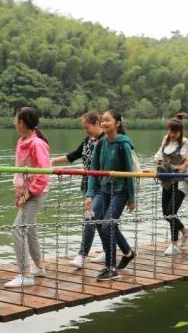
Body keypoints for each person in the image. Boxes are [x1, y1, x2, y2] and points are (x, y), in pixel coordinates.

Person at [86, 110, 138, 281]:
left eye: (108, 120)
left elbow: (130, 173)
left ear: (117, 123)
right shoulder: (101, 144)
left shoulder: (123, 144)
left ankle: (111, 268)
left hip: (120, 192)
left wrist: (132, 198)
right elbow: (93, 170)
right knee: (104, 223)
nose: (104, 123)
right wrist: (90, 194)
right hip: (105, 190)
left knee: (107, 226)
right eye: (103, 120)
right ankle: (127, 253)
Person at [52, 112, 106, 269]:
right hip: (88, 186)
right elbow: (73, 156)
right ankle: (107, 250)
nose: (85, 130)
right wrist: (53, 161)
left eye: (87, 127)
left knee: (90, 218)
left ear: (97, 123)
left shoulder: (106, 141)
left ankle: (82, 255)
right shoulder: (87, 141)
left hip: (102, 187)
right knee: (99, 221)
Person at [4, 107, 51, 288]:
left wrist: (29, 193)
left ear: (22, 122)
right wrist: (19, 194)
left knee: (18, 229)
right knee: (29, 229)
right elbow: (20, 171)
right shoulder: (22, 141)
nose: (14, 123)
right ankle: (38, 268)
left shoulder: (37, 144)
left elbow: (44, 173)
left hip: (36, 192)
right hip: (25, 193)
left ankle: (25, 275)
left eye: (16, 119)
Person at [154, 114, 188, 256]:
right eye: (170, 131)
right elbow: (159, 154)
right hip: (166, 181)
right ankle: (185, 231)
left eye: (175, 132)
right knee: (166, 214)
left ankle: (174, 244)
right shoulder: (166, 140)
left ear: (180, 132)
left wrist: (186, 165)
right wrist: (157, 159)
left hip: (180, 182)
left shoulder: (186, 143)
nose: (172, 134)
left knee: (171, 212)